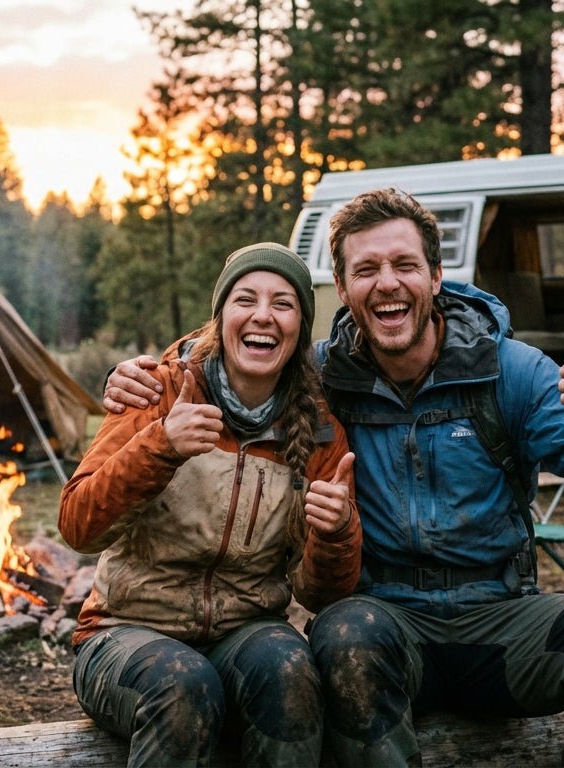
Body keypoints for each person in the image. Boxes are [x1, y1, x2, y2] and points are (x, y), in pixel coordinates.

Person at [104, 189, 564, 767]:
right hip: (384, 624)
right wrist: (137, 379)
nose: (387, 283)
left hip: (502, 620)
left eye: (405, 265)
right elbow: (229, 357)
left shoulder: (510, 371)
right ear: (343, 287)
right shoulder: (320, 377)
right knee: (343, 637)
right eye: (366, 269)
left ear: (436, 276)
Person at [59, 242, 361, 767]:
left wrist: (335, 533)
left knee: (291, 671)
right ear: (221, 318)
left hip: (245, 632)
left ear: (300, 329)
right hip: (124, 633)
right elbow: (77, 525)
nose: (263, 315)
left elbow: (320, 593)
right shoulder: (157, 391)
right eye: (246, 299)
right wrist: (160, 447)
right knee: (184, 686)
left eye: (283, 304)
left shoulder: (320, 432)